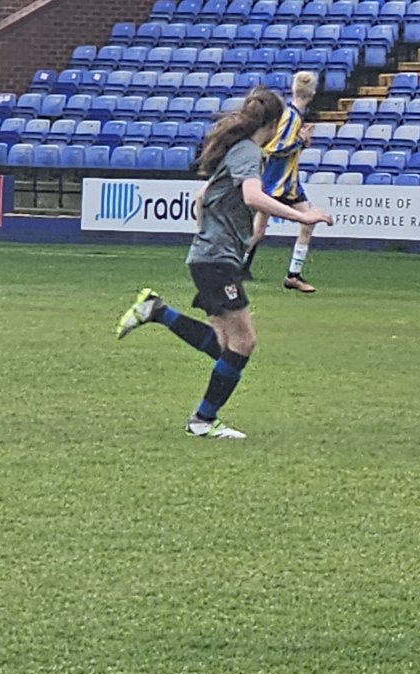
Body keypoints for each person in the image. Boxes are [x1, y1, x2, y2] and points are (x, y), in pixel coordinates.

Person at [114, 86, 334, 439]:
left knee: (224, 346)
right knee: (243, 343)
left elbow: (201, 198)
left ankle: (157, 311)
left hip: (210, 257)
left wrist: (208, 229)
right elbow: (251, 195)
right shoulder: (248, 152)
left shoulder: (240, 149)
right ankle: (202, 420)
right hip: (215, 260)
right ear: (276, 125)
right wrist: (301, 217)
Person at [244, 71, 320, 292]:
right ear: (312, 93)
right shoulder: (291, 117)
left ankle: (292, 275)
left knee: (304, 222)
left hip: (288, 180)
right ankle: (236, 267)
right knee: (262, 229)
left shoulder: (292, 114)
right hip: (277, 180)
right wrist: (300, 141)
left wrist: (301, 143)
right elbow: (273, 148)